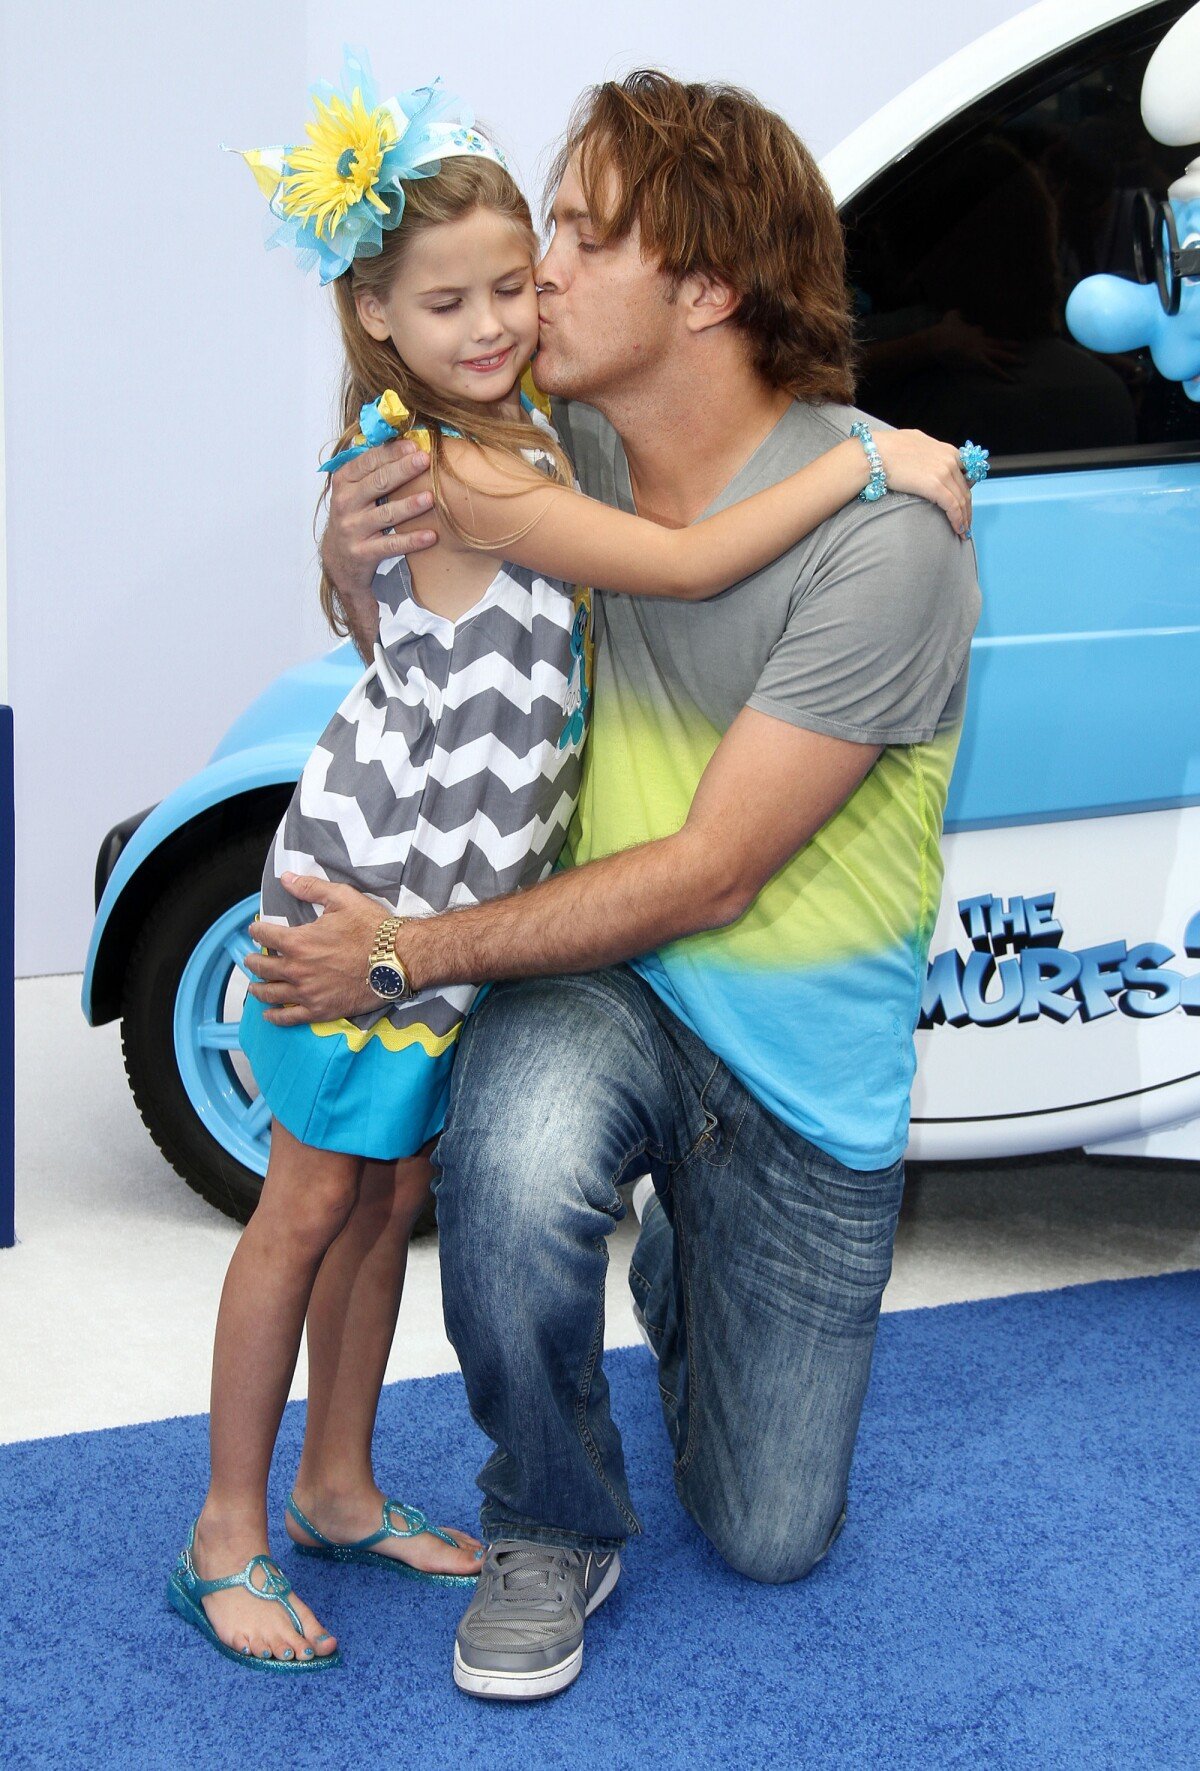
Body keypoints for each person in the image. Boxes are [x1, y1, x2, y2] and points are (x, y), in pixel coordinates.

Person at [170, 58, 974, 1675]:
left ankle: (662, 1270)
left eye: (581, 239)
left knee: (767, 1536)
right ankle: (447, 1522)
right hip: (525, 960)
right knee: (436, 1176)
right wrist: (346, 543)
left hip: (778, 1068)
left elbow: (712, 872)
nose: (535, 282)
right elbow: (440, 552)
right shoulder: (545, 450)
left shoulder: (879, 534)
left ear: (707, 289)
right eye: (528, 244)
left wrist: (880, 467)